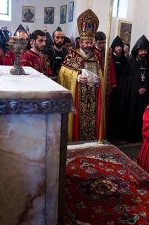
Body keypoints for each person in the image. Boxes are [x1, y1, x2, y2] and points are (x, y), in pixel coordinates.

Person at [58, 9, 104, 141]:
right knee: (78, 121)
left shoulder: (95, 57)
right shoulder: (73, 54)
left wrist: (98, 81)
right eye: (86, 43)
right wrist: (76, 77)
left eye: (91, 43)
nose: (89, 45)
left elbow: (100, 74)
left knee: (92, 122)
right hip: (78, 96)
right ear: (80, 42)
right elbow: (63, 73)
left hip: (93, 96)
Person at [118, 35, 149, 142]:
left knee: (143, 115)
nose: (143, 52)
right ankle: (130, 136)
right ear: (137, 50)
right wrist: (136, 87)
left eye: (145, 50)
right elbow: (126, 79)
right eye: (141, 50)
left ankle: (140, 135)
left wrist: (146, 87)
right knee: (132, 114)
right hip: (132, 94)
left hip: (145, 96)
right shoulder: (131, 62)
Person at [108, 36, 128, 141]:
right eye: (117, 46)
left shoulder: (125, 59)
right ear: (113, 47)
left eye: (120, 46)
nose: (119, 48)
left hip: (122, 89)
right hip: (113, 89)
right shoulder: (110, 58)